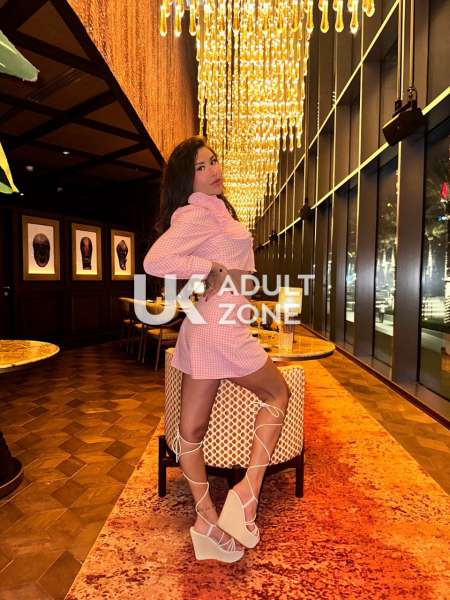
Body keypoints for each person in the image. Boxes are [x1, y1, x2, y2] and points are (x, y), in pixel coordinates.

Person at [144, 136, 291, 563]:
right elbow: (155, 262)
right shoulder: (197, 213)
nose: (213, 170)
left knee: (190, 430)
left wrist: (216, 272)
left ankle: (206, 520)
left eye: (213, 161)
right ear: (187, 179)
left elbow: (237, 273)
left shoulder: (216, 210)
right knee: (277, 393)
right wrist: (208, 267)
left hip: (208, 324)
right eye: (201, 167)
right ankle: (247, 494)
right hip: (221, 326)